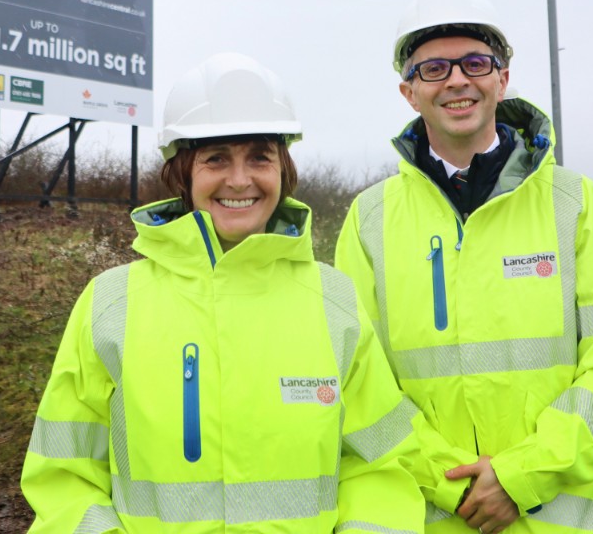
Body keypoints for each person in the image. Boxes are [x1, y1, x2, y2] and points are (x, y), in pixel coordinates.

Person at [21, 52, 424, 534]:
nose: (239, 179)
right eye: (216, 159)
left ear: (283, 168)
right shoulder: (110, 303)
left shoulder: (334, 300)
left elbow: (378, 467)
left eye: (259, 156)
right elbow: (63, 477)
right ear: (183, 174)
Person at [334, 0, 593, 534]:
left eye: (475, 63)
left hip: (559, 516)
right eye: (433, 69)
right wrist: (449, 480)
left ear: (502, 79)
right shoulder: (368, 220)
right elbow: (358, 381)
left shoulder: (574, 204)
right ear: (408, 92)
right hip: (428, 513)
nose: (457, 80)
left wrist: (521, 476)